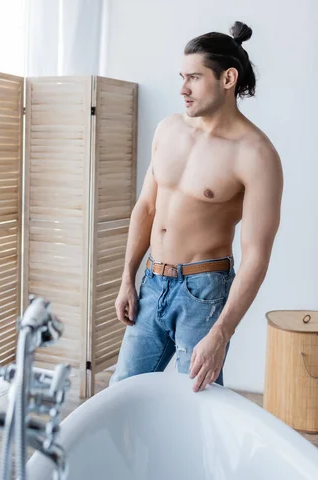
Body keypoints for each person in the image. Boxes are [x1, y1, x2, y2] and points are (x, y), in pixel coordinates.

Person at [110, 21, 283, 392]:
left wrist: (221, 332)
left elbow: (256, 257)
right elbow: (146, 207)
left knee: (198, 403)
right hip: (153, 282)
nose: (182, 89)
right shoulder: (169, 129)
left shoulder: (256, 155)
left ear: (227, 78)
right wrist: (129, 276)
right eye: (181, 77)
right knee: (122, 394)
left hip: (203, 293)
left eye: (193, 77)